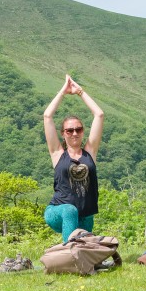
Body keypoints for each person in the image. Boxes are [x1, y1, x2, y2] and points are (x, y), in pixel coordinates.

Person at [43, 74, 104, 242]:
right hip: (58, 211)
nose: (75, 133)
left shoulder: (89, 153)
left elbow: (99, 114)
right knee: (70, 210)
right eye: (70, 130)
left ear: (83, 131)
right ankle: (67, 253)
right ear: (63, 133)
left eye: (78, 129)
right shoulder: (57, 154)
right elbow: (47, 116)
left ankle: (74, 257)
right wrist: (63, 91)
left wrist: (80, 92)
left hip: (85, 215)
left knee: (85, 247)